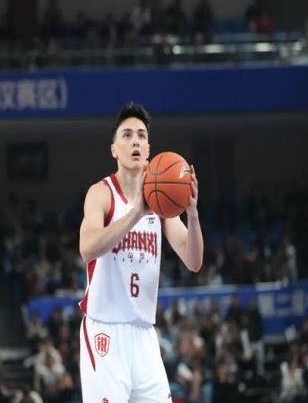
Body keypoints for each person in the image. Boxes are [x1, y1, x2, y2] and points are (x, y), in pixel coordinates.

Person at [78, 103, 204, 401]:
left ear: (148, 149)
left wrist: (192, 214)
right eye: (127, 135)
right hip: (105, 332)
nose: (135, 141)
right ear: (114, 149)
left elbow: (194, 261)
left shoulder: (160, 202)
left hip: (144, 335)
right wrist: (136, 213)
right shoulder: (101, 193)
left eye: (141, 136)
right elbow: (87, 248)